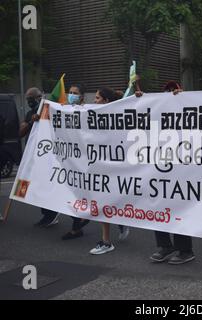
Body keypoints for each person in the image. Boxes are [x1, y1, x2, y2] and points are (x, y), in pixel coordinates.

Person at [148, 81, 195, 264]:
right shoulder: (158, 112)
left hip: (182, 168)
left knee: (179, 209)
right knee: (158, 206)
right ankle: (165, 246)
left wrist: (186, 100)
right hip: (159, 167)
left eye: (173, 91)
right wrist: (140, 98)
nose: (170, 95)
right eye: (166, 92)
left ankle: (185, 249)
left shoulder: (189, 109)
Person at [89, 87, 130, 255]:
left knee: (115, 199)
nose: (94, 101)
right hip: (101, 167)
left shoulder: (118, 114)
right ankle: (106, 241)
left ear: (105, 101)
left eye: (97, 98)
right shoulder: (91, 114)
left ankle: (121, 222)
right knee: (102, 201)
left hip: (118, 166)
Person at [19, 87, 60, 227]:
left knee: (47, 185)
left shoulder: (49, 110)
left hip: (47, 156)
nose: (30, 101)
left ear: (40, 97)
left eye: (32, 98)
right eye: (28, 99)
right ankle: (46, 214)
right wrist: (31, 122)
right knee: (38, 186)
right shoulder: (30, 113)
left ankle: (52, 214)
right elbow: (21, 132)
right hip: (33, 157)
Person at [61, 84, 90, 239]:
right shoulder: (63, 110)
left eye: (75, 93)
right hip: (70, 161)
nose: (71, 95)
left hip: (85, 161)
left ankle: (78, 226)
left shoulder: (86, 111)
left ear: (82, 97)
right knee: (69, 194)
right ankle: (78, 225)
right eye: (70, 93)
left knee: (83, 194)